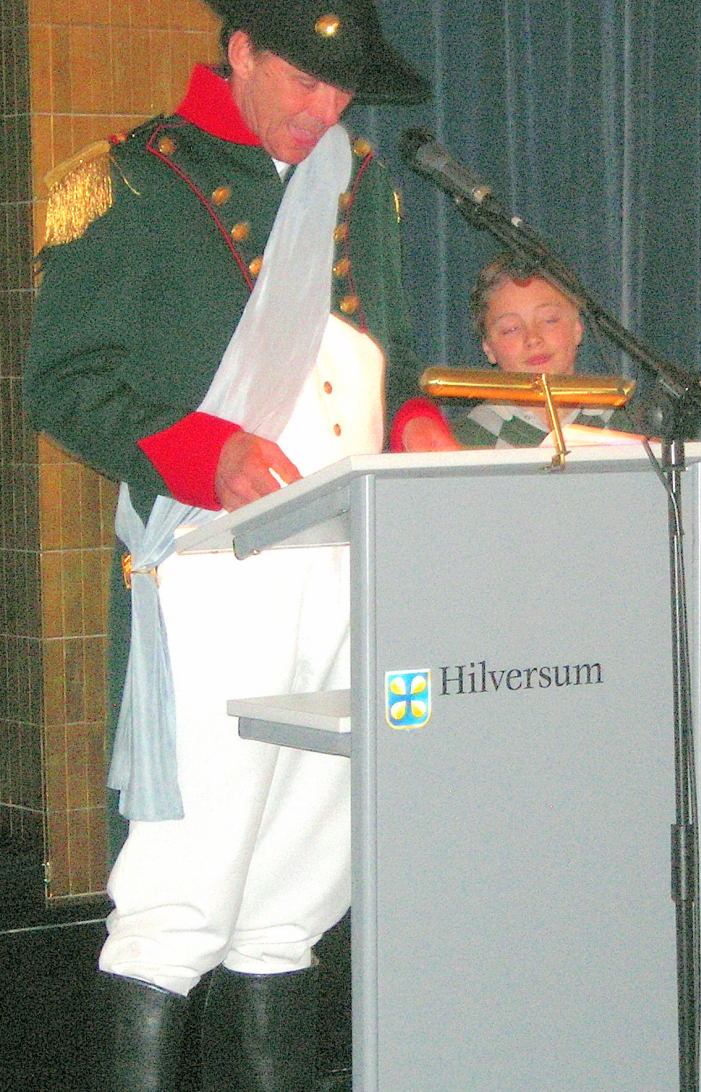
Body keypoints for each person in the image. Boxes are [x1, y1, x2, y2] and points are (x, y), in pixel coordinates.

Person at [22, 1, 450, 1087]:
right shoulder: (131, 183)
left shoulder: (358, 184)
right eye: (304, 79)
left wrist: (415, 421)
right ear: (241, 52)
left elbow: (387, 356)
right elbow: (63, 384)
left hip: (347, 563)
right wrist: (201, 452)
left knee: (296, 896)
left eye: (343, 87)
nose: (327, 107)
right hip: (215, 569)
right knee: (181, 894)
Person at [445, 251, 637, 447]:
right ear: (488, 348)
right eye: (511, 329)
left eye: (549, 320)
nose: (533, 339)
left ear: (577, 328)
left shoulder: (630, 427)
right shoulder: (463, 442)